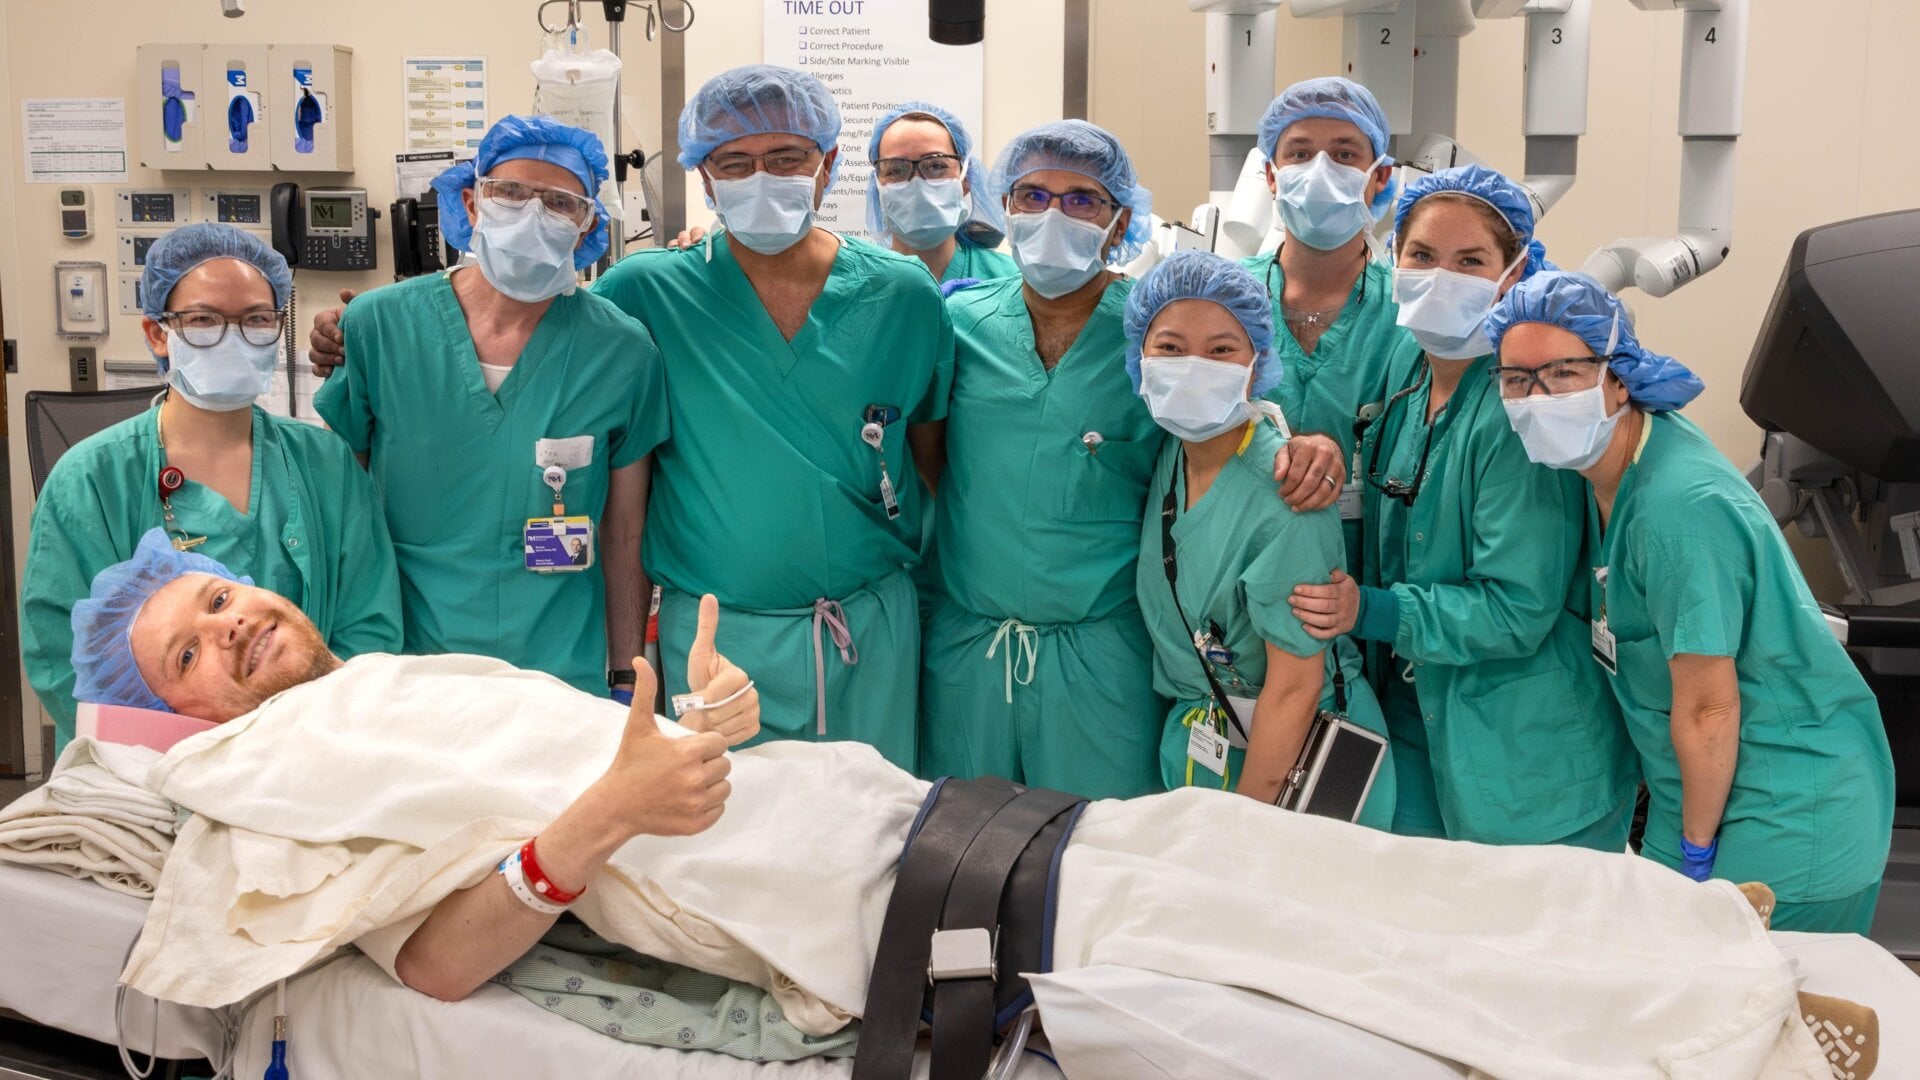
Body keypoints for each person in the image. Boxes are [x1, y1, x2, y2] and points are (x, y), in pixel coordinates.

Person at [79, 537, 1867, 1080]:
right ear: (170, 715)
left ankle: (1677, 940)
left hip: (886, 809)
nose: (240, 631)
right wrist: (600, 820)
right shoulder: (264, 788)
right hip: (899, 912)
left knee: (1301, 860)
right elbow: (442, 961)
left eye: (232, 600)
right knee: (1310, 943)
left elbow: (612, 763)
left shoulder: (401, 680)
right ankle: (1713, 1026)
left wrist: (696, 732)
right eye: (197, 646)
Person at [919, 123, 1348, 797]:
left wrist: (1314, 445)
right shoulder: (961, 325)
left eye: (1081, 199)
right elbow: (930, 462)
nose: (1052, 214)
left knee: (1097, 862)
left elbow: (1234, 418)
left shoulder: (1157, 332)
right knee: (959, 851)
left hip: (1105, 656)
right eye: (1031, 194)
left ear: (1120, 216)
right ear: (1001, 205)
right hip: (970, 649)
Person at [1486, 270, 1896, 933]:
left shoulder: (1677, 509)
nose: (1537, 398)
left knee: (1764, 1020)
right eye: (1515, 380)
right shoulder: (1612, 475)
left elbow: (1709, 708)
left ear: (1617, 377)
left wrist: (1694, 857)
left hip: (1786, 819)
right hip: (1705, 799)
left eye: (1562, 374)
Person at [590, 65, 950, 767]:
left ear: (830, 166)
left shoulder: (904, 298)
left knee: (871, 848)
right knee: (721, 852)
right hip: (715, 645)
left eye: (787, 158)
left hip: (868, 637)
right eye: (735, 162)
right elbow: (549, 358)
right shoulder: (647, 294)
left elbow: (934, 467)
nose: (763, 177)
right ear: (705, 176)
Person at [1289, 166, 1637, 850]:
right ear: (1393, 259)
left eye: (1469, 261)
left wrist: (1371, 610)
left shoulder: (1517, 410)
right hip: (1415, 712)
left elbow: (1516, 609)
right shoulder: (1408, 375)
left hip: (1524, 749)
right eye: (1421, 255)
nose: (1440, 275)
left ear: (1513, 274)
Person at [313, 116, 667, 703]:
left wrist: (627, 673)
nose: (532, 214)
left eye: (560, 203)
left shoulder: (623, 353)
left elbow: (625, 532)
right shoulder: (379, 328)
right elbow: (342, 516)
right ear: (472, 204)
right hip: (406, 663)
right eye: (511, 193)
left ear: (586, 228)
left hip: (558, 673)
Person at [19, 223, 400, 751]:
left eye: (256, 320)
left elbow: (370, 624)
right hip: (154, 771)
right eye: (202, 320)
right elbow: (64, 660)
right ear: (158, 333)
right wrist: (201, 766)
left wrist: (307, 745)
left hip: (317, 748)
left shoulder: (323, 462)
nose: (233, 337)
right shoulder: (92, 480)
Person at [1128, 250, 1393, 825]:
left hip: (1300, 762)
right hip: (1211, 736)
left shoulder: (1287, 496)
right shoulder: (1175, 452)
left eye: (1221, 350)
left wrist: (1243, 827)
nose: (1194, 367)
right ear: (1138, 358)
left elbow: (1295, 689)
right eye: (1170, 348)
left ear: (1257, 362)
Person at [1246, 77, 1425, 569]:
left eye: (1344, 155)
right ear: (1270, 176)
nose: (1319, 170)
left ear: (1380, 177)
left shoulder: (1413, 311)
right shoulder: (1224, 302)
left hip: (1370, 583)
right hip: (1240, 572)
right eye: (1299, 154)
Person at [864, 100, 1016, 284]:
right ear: (877, 185)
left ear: (966, 179)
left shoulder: (1010, 279)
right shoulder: (859, 288)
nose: (917, 183)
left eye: (936, 165)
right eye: (895, 170)